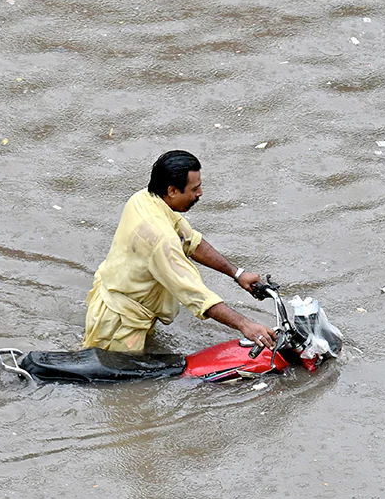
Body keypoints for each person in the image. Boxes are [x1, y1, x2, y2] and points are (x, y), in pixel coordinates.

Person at [82, 150, 277, 353]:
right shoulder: (161, 239)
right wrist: (246, 326)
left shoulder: (143, 199)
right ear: (173, 191)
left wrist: (237, 274)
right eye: (194, 189)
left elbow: (191, 241)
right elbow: (195, 294)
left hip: (118, 304)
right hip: (120, 324)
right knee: (124, 381)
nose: (200, 193)